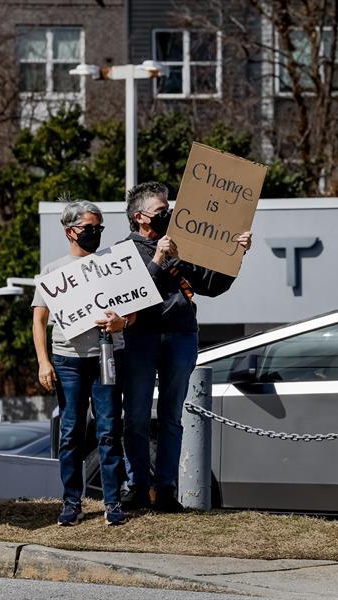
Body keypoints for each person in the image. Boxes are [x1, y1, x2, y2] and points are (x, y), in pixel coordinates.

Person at [120, 182, 251, 512]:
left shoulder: (184, 247)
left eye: (170, 209)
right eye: (161, 212)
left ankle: (165, 489)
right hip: (140, 338)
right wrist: (159, 258)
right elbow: (130, 296)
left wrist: (235, 253)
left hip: (180, 334)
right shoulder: (123, 253)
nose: (169, 216)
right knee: (135, 415)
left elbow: (211, 286)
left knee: (171, 416)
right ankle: (136, 485)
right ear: (140, 217)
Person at [32, 200, 135, 526]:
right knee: (71, 431)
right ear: (70, 231)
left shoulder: (113, 264)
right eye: (88, 228)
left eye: (99, 228)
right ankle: (71, 503)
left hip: (107, 355)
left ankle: (113, 501)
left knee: (108, 430)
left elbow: (133, 309)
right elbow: (38, 320)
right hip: (68, 361)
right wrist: (43, 362)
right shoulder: (53, 270)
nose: (94, 234)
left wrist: (123, 323)